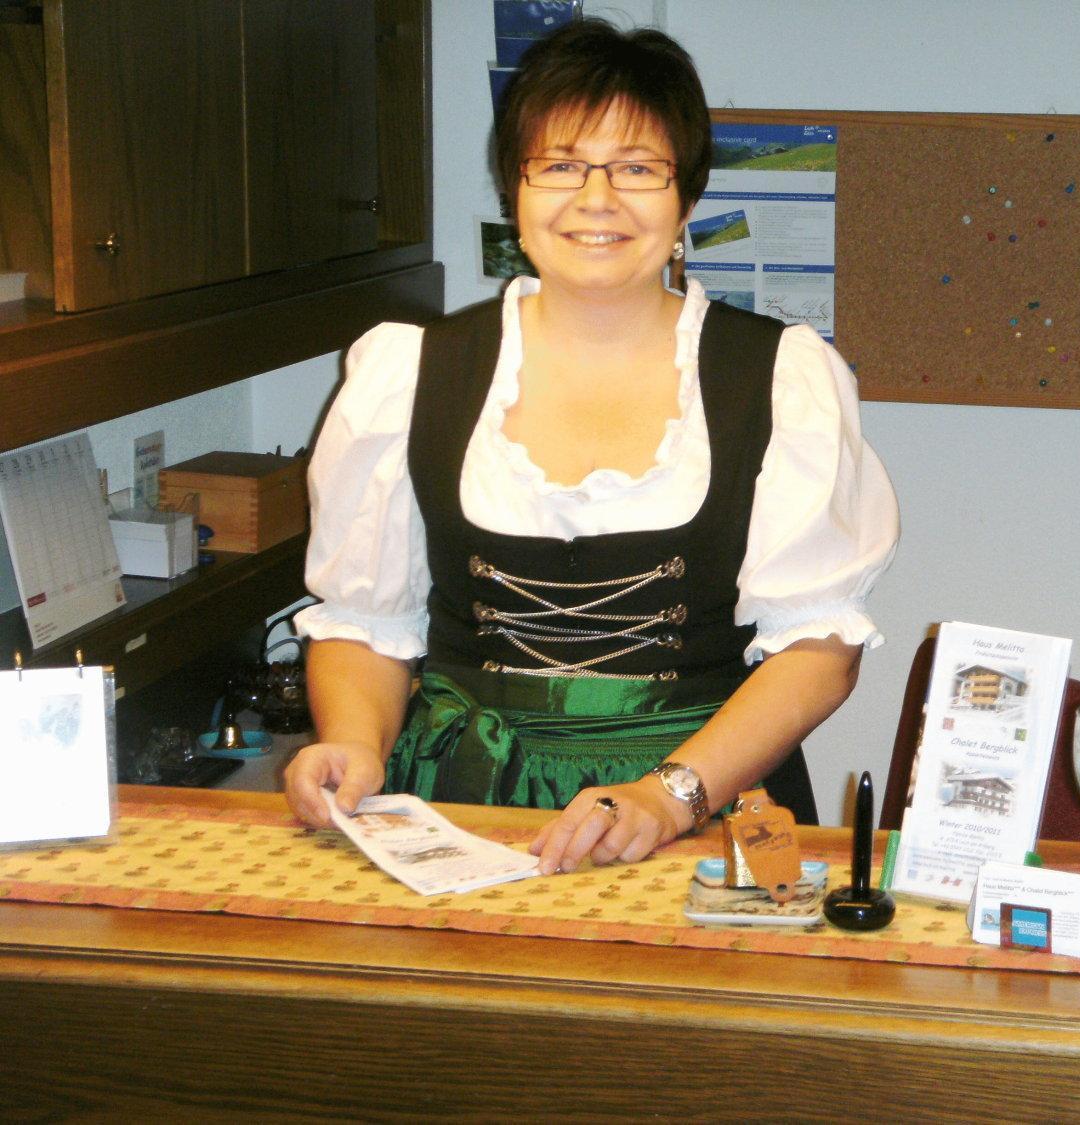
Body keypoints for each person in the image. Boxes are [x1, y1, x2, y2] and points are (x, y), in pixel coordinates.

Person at [283, 19, 898, 875]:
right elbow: (365, 624)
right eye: (561, 164)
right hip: (463, 803)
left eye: (638, 168)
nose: (596, 198)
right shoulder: (413, 371)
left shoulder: (781, 376)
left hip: (703, 800)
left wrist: (667, 794)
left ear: (685, 200)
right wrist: (353, 741)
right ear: (516, 192)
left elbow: (817, 650)